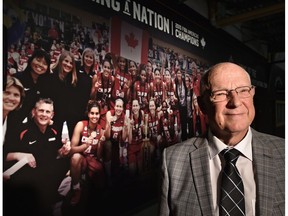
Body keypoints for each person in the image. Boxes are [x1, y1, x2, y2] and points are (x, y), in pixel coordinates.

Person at [159, 62, 285, 216]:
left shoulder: (283, 153)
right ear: (202, 105)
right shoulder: (173, 161)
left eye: (243, 90)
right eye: (221, 94)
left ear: (252, 94)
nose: (236, 102)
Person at [3, 98, 71, 216]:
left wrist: (62, 151)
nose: (44, 115)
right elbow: (4, 155)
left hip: (47, 179)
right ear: (34, 112)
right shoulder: (21, 130)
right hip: (25, 182)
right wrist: (19, 155)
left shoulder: (54, 131)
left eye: (47, 112)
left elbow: (56, 153)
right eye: (41, 111)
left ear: (52, 115)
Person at [68, 100, 106, 205]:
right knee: (75, 158)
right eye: (92, 113)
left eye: (97, 114)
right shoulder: (80, 125)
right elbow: (71, 150)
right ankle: (76, 189)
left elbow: (98, 156)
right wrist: (85, 145)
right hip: (81, 158)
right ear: (88, 114)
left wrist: (100, 145)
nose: (94, 116)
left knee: (100, 183)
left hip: (93, 159)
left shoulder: (101, 130)